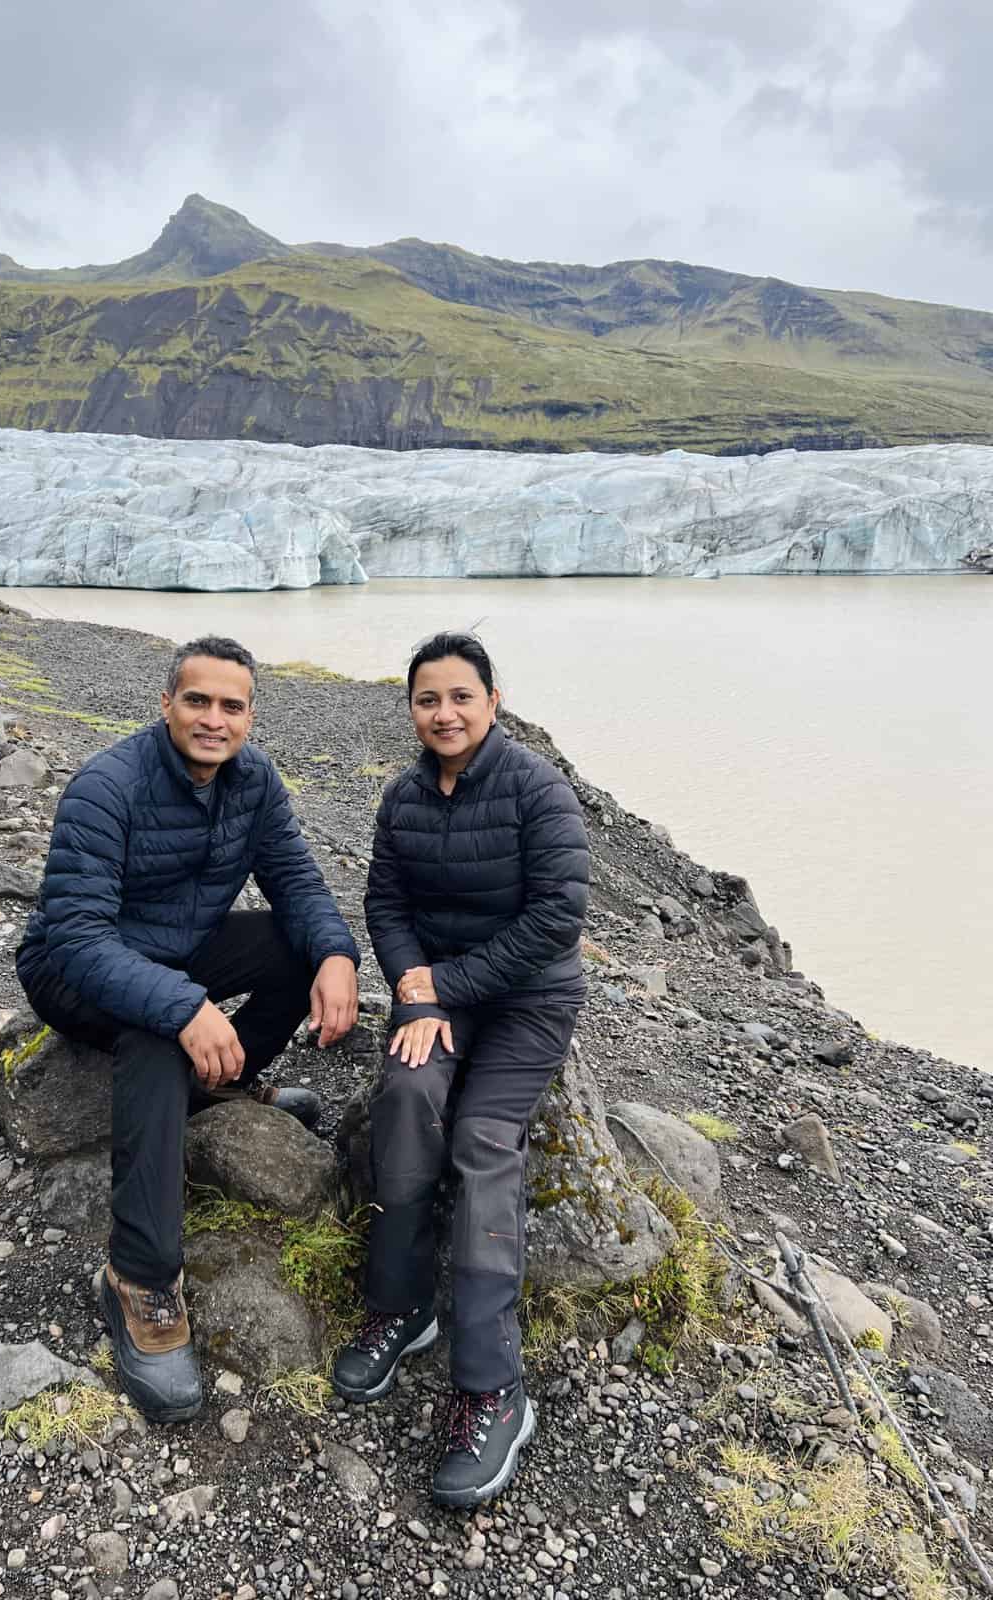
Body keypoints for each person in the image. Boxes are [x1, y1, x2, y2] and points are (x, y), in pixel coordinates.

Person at [17, 635, 360, 1423]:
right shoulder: (107, 787)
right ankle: (139, 1277)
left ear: (249, 717)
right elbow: (75, 936)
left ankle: (223, 1087)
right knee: (155, 1034)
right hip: (74, 971)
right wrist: (183, 1007)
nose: (214, 719)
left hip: (175, 951)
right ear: (165, 703)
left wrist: (337, 956)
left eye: (231, 706)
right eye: (197, 700)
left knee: (290, 944)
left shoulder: (255, 782)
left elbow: (297, 881)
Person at [331, 631, 590, 1508]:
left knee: (483, 1137)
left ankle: (492, 1385)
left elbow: (558, 916)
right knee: (407, 1099)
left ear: (492, 701)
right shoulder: (403, 797)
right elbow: (385, 901)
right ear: (412, 709)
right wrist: (419, 993)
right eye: (427, 699)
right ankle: (402, 1306)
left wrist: (444, 983)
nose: (444, 714)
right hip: (440, 995)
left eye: (460, 697)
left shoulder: (536, 788)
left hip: (526, 1000)